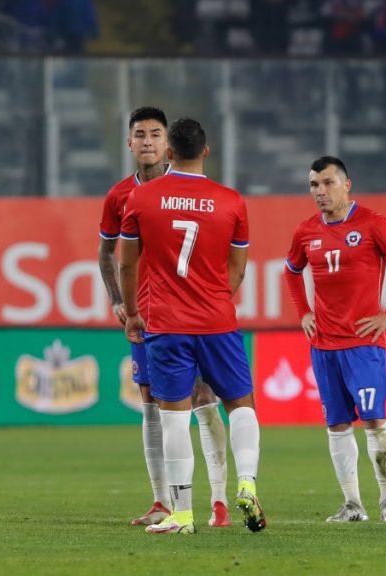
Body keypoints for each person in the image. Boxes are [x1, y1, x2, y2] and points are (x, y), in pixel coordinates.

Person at [119, 118, 265, 535]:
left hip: (166, 324)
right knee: (241, 405)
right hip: (217, 321)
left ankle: (181, 515)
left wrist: (132, 313)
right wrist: (215, 301)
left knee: (173, 418)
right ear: (206, 150)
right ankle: (246, 484)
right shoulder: (231, 201)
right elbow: (237, 269)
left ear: (169, 152)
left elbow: (127, 264)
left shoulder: (143, 199)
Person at [98, 106, 232, 528]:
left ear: (168, 144)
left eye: (155, 134)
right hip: (150, 319)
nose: (148, 142)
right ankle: (162, 500)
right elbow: (107, 254)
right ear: (130, 143)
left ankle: (220, 499)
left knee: (204, 395)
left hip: (195, 314)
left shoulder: (197, 190)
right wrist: (120, 301)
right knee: (152, 402)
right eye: (140, 134)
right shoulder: (120, 196)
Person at [283, 156, 386, 524]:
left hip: (363, 344)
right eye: (314, 184)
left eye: (328, 183)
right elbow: (291, 271)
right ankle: (352, 505)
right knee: (337, 425)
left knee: (375, 422)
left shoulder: (373, 223)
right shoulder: (305, 231)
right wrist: (303, 311)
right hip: (323, 345)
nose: (320, 191)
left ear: (347, 185)